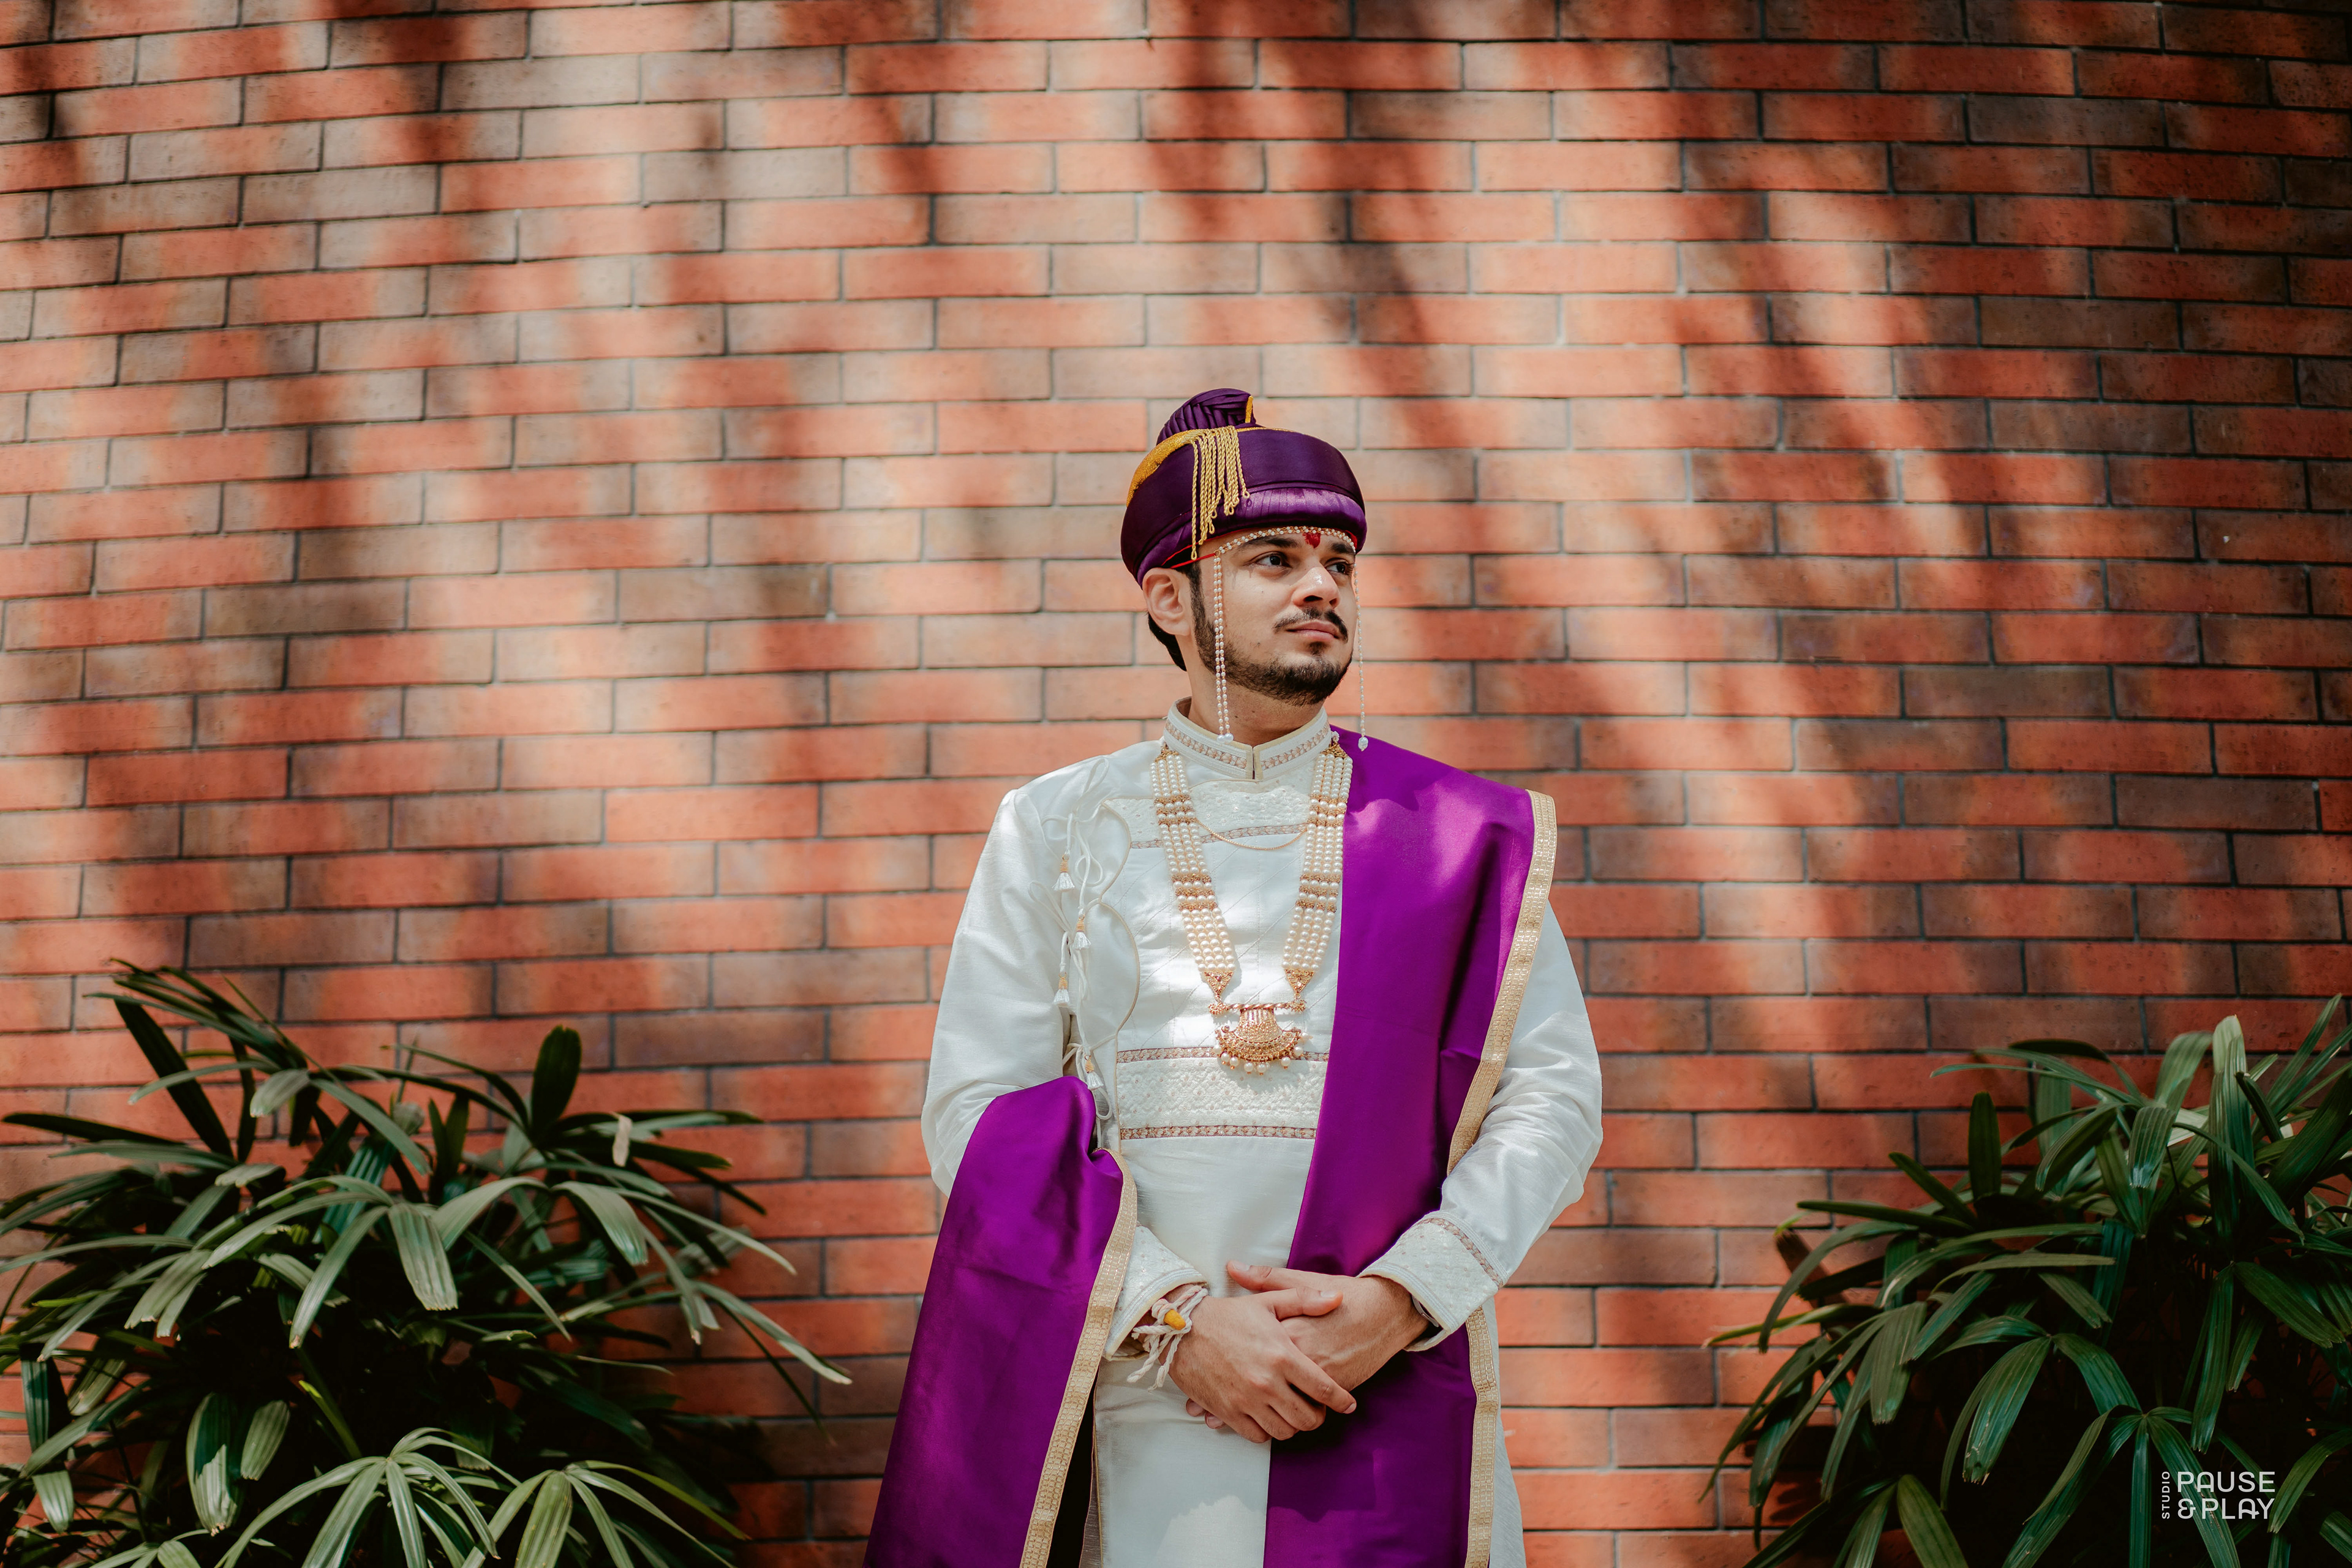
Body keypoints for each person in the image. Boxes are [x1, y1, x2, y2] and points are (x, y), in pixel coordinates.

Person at [865, 390, 1605, 1568]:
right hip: (1134, 1383)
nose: (1322, 587)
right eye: (1274, 560)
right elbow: (979, 1113)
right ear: (1170, 598)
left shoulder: (1463, 838)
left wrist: (1405, 1299)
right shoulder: (1054, 826)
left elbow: (1553, 1100)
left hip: (1384, 1372)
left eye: (1339, 563)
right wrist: (1177, 1321)